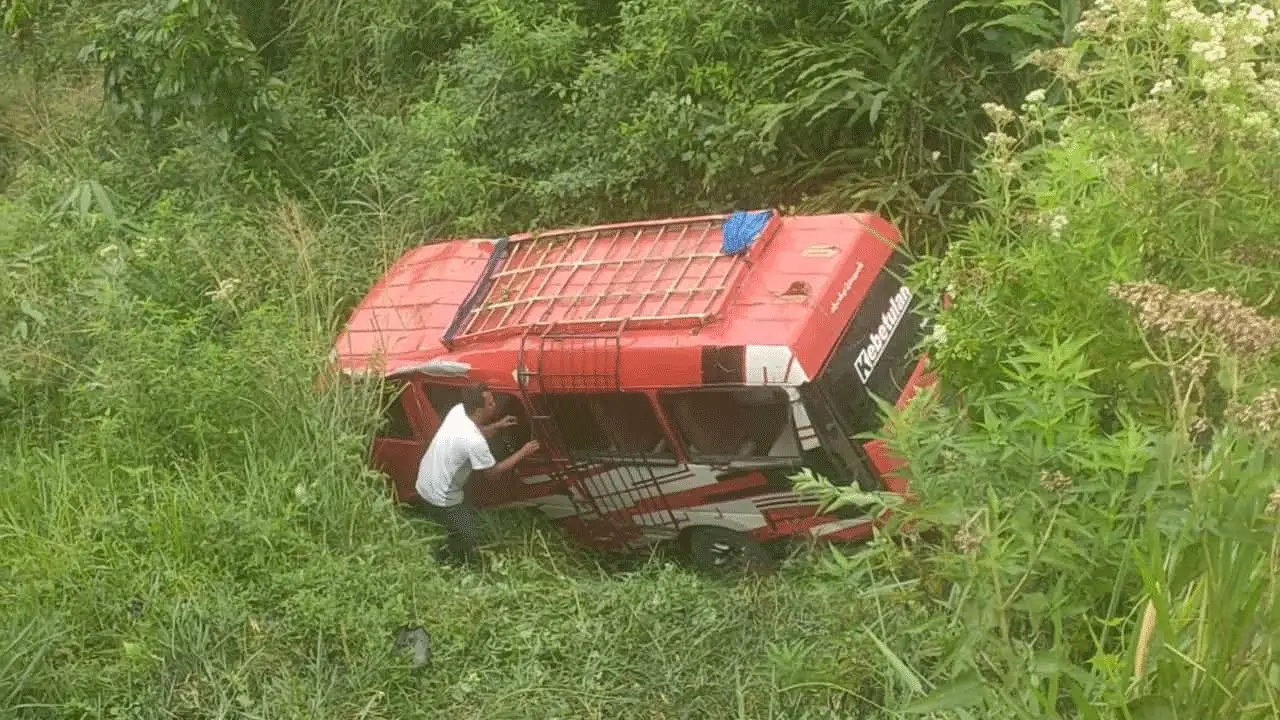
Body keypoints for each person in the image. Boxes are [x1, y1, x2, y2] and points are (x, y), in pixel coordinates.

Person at [414, 383, 540, 566]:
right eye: (490, 404)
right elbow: (493, 473)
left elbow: (475, 430)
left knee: (447, 523)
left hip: (424, 480)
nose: (495, 405)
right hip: (442, 497)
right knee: (467, 535)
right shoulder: (474, 442)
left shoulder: (458, 411)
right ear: (478, 410)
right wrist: (523, 453)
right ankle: (455, 564)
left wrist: (498, 425)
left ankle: (445, 544)